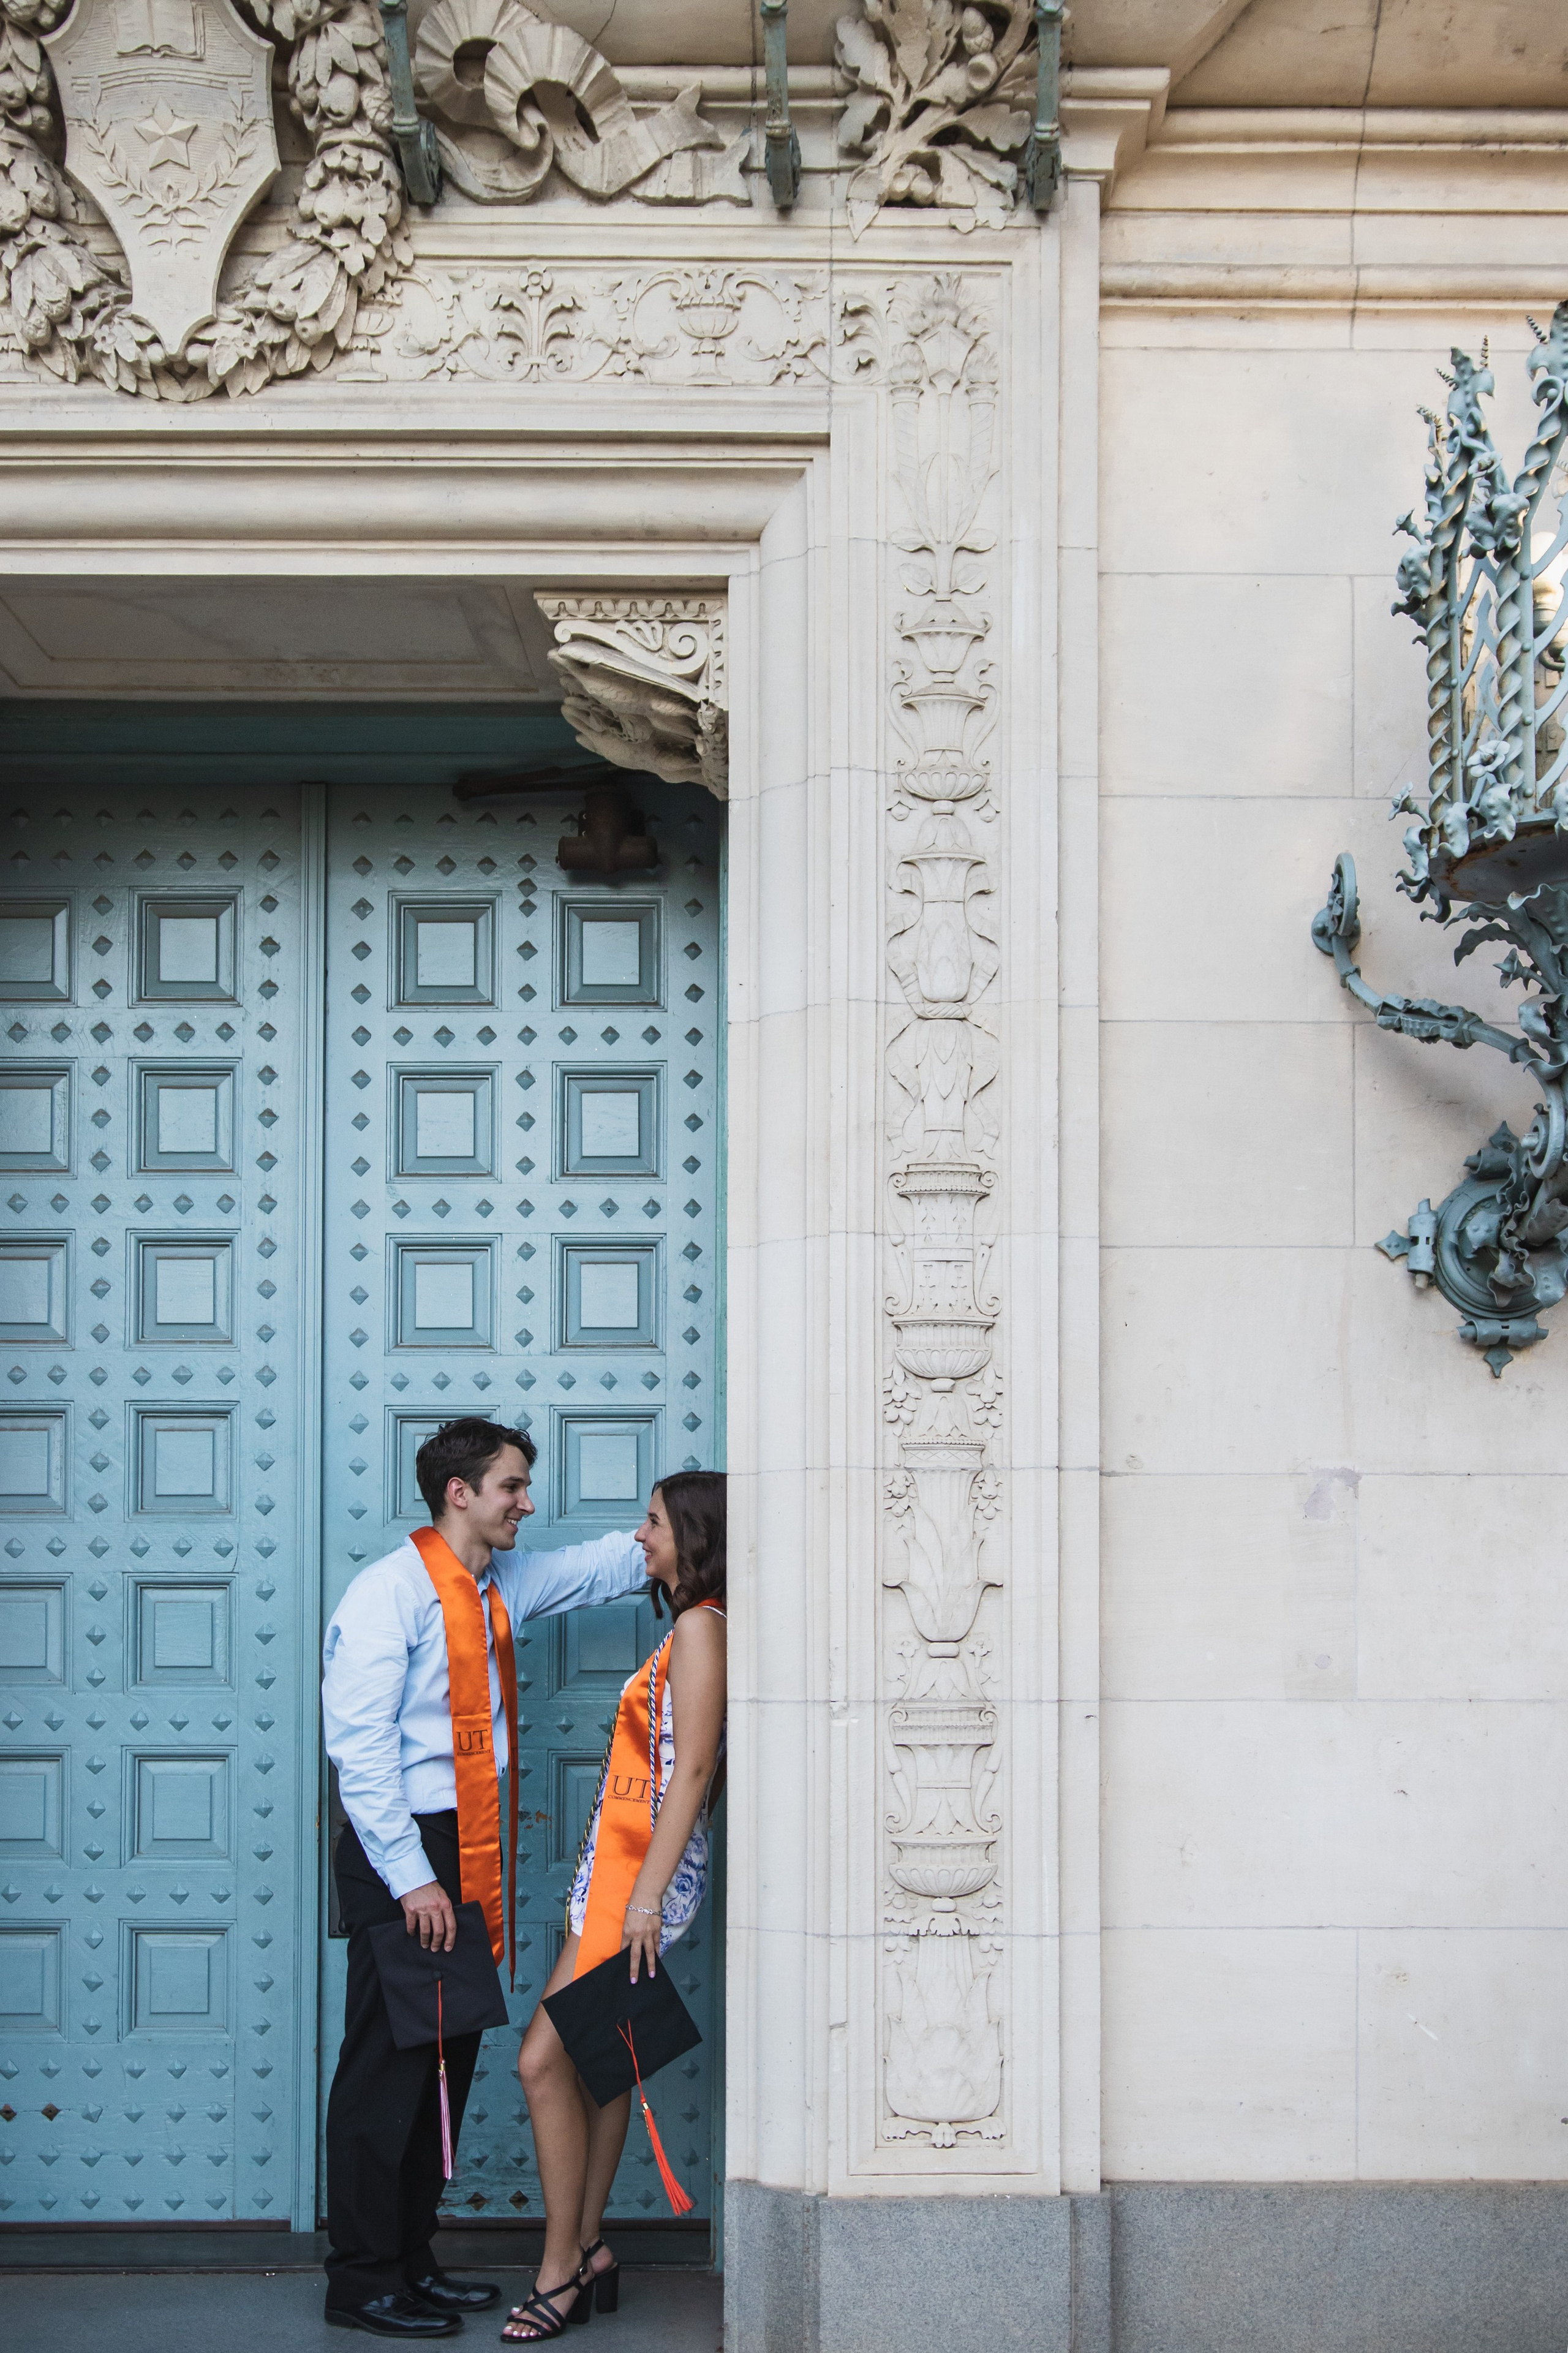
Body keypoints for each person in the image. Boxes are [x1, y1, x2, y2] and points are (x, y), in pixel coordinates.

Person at [322, 1415, 652, 2341]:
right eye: (511, 1486)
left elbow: (600, 1568)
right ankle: (360, 2278)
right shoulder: (389, 1593)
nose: (526, 1503)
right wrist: (412, 1880)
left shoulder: (496, 1584)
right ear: (459, 1491)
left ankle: (409, 2257)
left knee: (443, 2065)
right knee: (387, 2072)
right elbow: (360, 1752)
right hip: (409, 1851)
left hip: (464, 1844)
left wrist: (690, 1531)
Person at [502, 1471, 727, 2344]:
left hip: (639, 1883)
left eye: (656, 1522)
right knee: (596, 2061)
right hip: (616, 1876)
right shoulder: (688, 1629)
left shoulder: (703, 1631)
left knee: (540, 2061)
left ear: (694, 1537)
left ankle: (558, 2270)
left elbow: (694, 1772)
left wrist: (640, 1898)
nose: (642, 1536)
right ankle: (590, 2249)